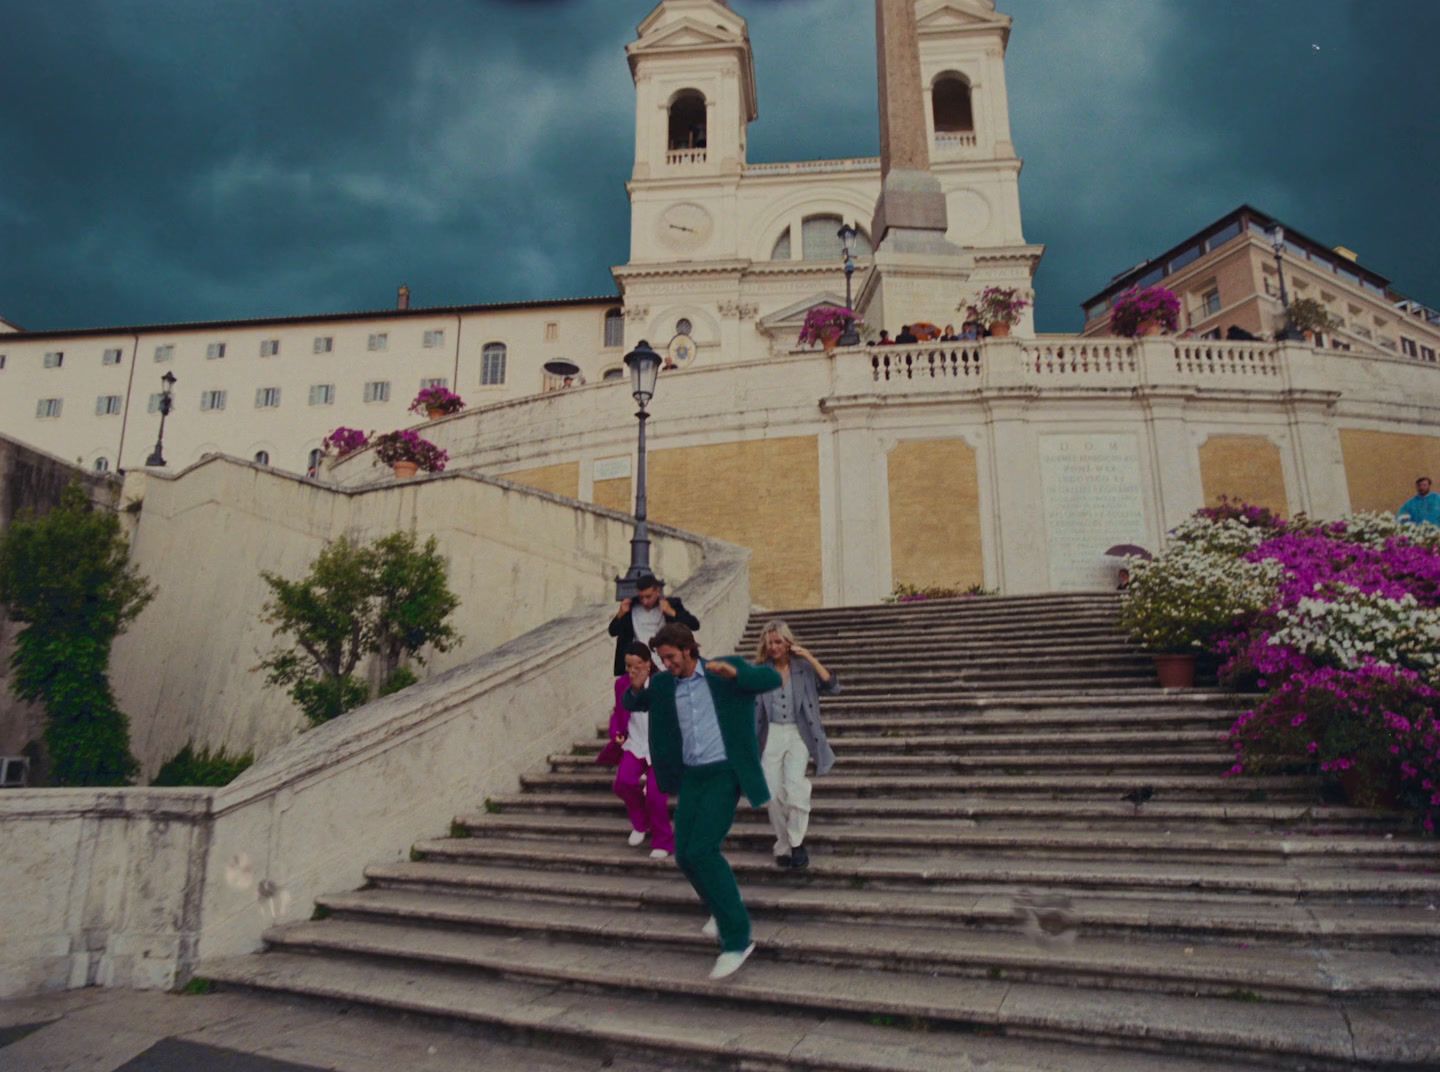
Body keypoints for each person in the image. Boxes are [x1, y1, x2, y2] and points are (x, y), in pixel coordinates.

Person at [622, 623, 780, 980]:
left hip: (724, 772)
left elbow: (770, 679)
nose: (667, 664)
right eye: (662, 659)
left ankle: (738, 939)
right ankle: (717, 907)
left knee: (704, 850)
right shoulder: (663, 683)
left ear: (689, 649)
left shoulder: (720, 671)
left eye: (671, 657)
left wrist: (738, 672)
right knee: (684, 854)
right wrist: (634, 687)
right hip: (692, 775)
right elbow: (636, 702)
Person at [753, 620, 839, 871]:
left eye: (778, 641)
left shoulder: (803, 668)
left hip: (798, 732)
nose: (774, 647)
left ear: (788, 642)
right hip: (771, 734)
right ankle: (783, 843)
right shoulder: (760, 670)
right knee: (771, 793)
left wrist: (810, 657)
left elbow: (833, 687)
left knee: (795, 787)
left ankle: (796, 842)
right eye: (769, 642)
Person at [610, 641, 675, 859]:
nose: (632, 670)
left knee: (656, 797)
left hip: (659, 749)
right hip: (635, 744)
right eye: (628, 666)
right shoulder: (621, 685)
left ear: (648, 664)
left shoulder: (663, 683)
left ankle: (664, 841)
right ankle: (641, 822)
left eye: (637, 665)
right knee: (622, 783)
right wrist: (616, 732)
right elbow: (617, 713)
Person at [608, 574, 699, 675]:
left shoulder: (671, 604)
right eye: (641, 597)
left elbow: (694, 625)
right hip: (639, 667)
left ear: (657, 591)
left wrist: (671, 612)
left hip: (667, 664)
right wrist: (620, 614)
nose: (645, 601)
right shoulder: (630, 607)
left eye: (648, 596)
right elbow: (612, 631)